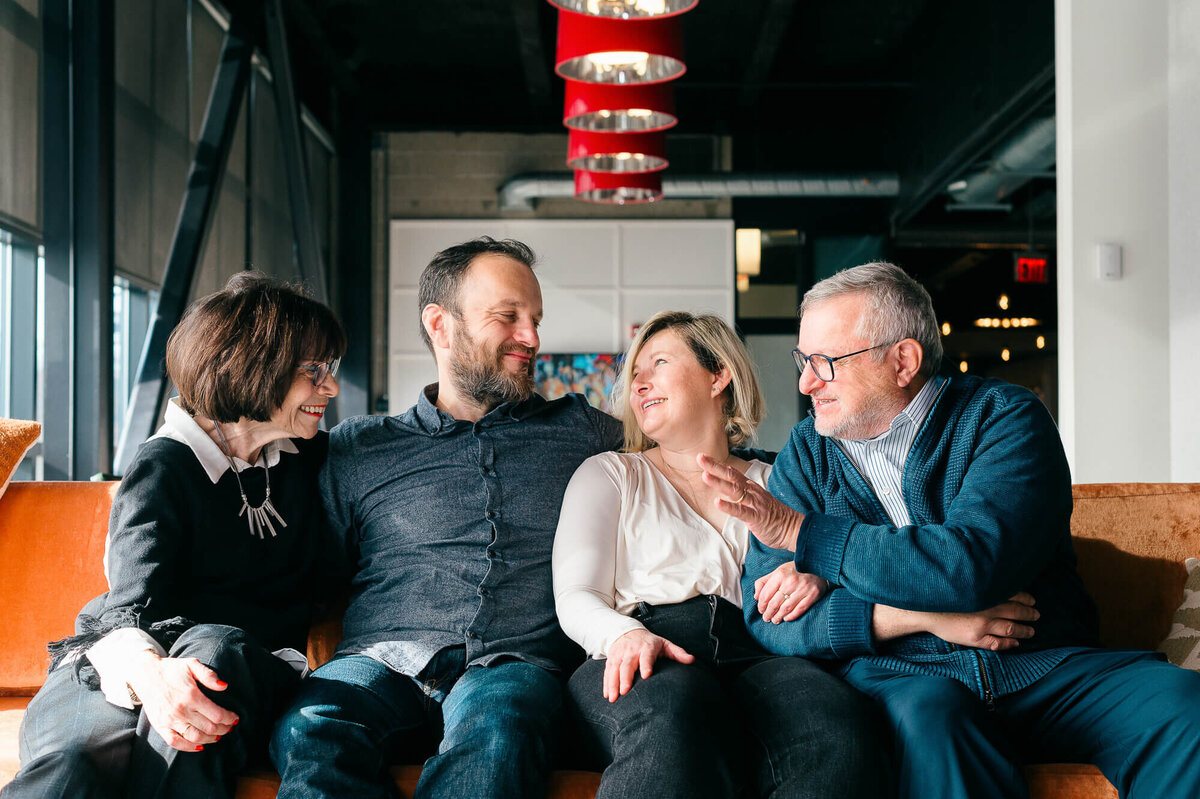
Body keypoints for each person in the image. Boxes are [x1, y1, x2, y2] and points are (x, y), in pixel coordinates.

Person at [698, 261, 1200, 799]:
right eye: (804, 360)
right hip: (904, 676)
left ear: (903, 361)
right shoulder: (808, 451)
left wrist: (808, 540)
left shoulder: (1004, 419)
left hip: (1042, 666)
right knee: (932, 718)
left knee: (1182, 707)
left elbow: (969, 567)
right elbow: (766, 616)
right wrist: (916, 618)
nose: (805, 382)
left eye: (824, 361)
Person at [270, 237, 625, 799]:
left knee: (500, 731)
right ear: (440, 325)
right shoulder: (358, 448)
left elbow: (695, 457)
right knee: (312, 727)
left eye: (534, 319)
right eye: (508, 317)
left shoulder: (584, 432)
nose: (531, 338)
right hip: (380, 661)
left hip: (515, 666)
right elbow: (306, 568)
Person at [3, 272, 347, 799]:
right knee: (75, 762)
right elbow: (128, 608)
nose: (331, 387)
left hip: (237, 670)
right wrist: (154, 677)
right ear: (254, 368)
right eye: (314, 371)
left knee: (215, 650)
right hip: (126, 662)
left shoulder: (313, 460)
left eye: (332, 369)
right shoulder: (166, 465)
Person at [553, 310, 884, 799]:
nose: (640, 384)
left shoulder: (778, 482)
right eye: (635, 375)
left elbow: (840, 554)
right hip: (643, 649)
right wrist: (625, 635)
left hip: (760, 652)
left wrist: (816, 573)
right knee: (673, 717)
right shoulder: (610, 475)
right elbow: (576, 594)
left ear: (719, 375)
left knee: (835, 725)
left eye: (658, 364)